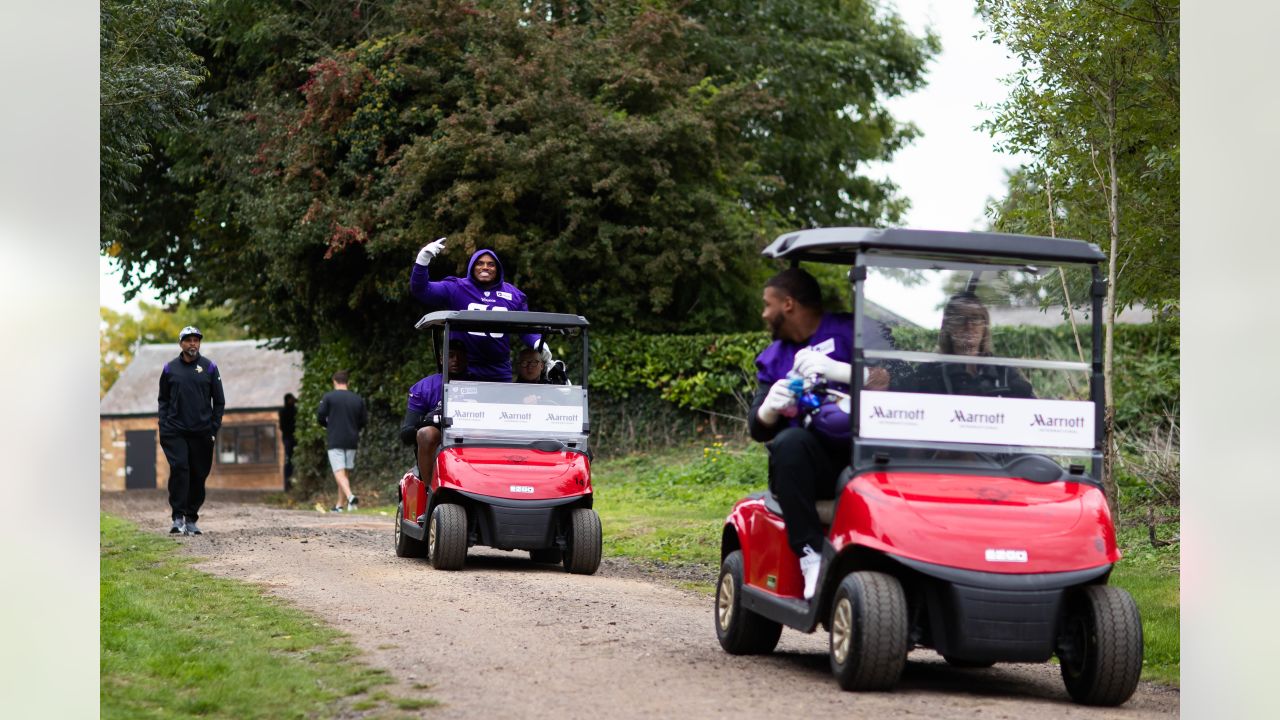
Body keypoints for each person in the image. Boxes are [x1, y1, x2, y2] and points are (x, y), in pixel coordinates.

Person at [747, 268, 895, 600]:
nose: (764, 313)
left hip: (869, 456)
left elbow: (897, 380)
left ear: (787, 304)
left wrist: (848, 372)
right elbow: (757, 429)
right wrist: (768, 409)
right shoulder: (775, 358)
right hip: (812, 466)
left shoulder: (851, 332)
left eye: (766, 304)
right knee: (788, 443)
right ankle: (811, 556)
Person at [409, 238, 552, 382]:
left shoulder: (513, 295)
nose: (485, 267)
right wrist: (422, 260)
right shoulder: (456, 288)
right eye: (480, 263)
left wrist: (538, 343)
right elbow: (422, 290)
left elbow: (526, 327)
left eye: (490, 264)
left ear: (498, 269)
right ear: (472, 267)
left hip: (498, 370)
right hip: (463, 368)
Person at [897, 293, 1035, 398]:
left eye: (975, 318)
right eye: (960, 319)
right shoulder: (929, 373)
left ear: (984, 326)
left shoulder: (1004, 371)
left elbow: (1030, 408)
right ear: (948, 328)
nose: (968, 325)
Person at [157, 325, 225, 536]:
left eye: (196, 340)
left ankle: (191, 518)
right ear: (181, 344)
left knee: (198, 474)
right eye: (188, 340)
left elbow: (219, 401)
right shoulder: (169, 369)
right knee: (180, 469)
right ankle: (177, 518)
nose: (192, 343)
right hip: (175, 430)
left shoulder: (210, 367)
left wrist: (213, 427)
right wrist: (164, 425)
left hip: (202, 432)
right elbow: (163, 400)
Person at [399, 346, 470, 485]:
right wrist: (426, 422)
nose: (456, 360)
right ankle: (430, 490)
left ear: (467, 360)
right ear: (441, 359)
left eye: (460, 356)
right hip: (440, 442)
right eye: (450, 356)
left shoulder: (479, 384)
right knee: (426, 433)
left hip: (472, 438)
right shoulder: (424, 387)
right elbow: (406, 433)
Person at [316, 370, 368, 512]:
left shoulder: (328, 397)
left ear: (334, 381)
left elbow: (320, 417)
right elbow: (363, 421)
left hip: (335, 438)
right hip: (352, 439)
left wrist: (329, 425)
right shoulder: (357, 399)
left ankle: (350, 496)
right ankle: (340, 505)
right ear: (348, 382)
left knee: (338, 472)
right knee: (344, 473)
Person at [279, 393, 297, 488]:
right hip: (288, 439)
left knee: (295, 462)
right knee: (288, 461)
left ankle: (294, 483)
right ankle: (288, 485)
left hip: (295, 439)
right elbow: (282, 427)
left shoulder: (295, 410)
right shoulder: (283, 411)